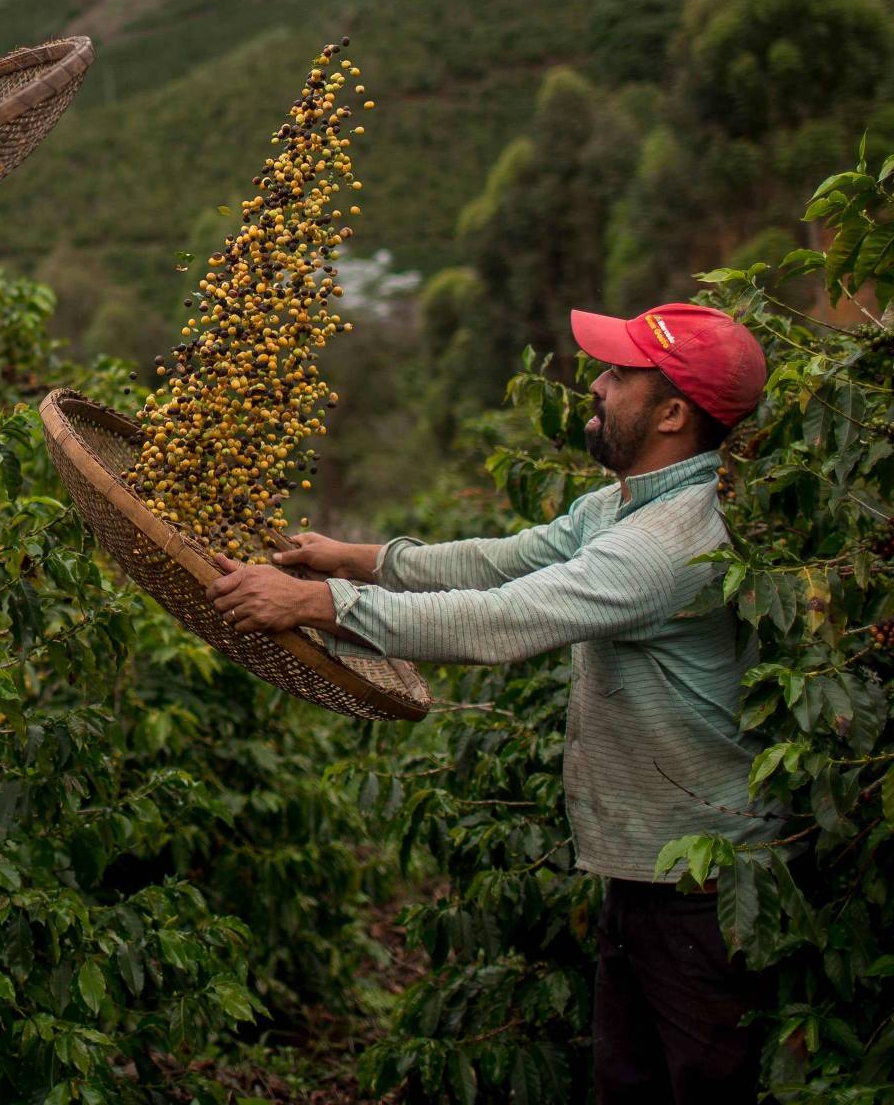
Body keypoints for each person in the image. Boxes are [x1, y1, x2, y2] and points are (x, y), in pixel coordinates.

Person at [209, 302, 782, 1104]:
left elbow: (502, 619)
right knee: (629, 1079)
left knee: (701, 1086)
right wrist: (359, 559)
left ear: (673, 413)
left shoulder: (669, 545)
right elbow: (502, 562)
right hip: (649, 865)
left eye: (619, 376)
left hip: (700, 882)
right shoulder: (625, 504)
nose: (597, 385)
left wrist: (323, 605)